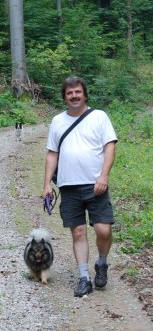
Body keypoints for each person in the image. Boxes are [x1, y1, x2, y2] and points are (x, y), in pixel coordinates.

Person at [42, 76, 118, 297]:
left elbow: (110, 147)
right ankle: (84, 278)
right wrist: (46, 184)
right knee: (78, 232)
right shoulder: (57, 121)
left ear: (84, 94)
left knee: (104, 230)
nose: (74, 96)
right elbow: (52, 153)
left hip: (96, 185)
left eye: (77, 92)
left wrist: (104, 176)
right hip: (68, 186)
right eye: (69, 93)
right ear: (65, 97)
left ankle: (102, 263)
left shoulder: (99, 117)